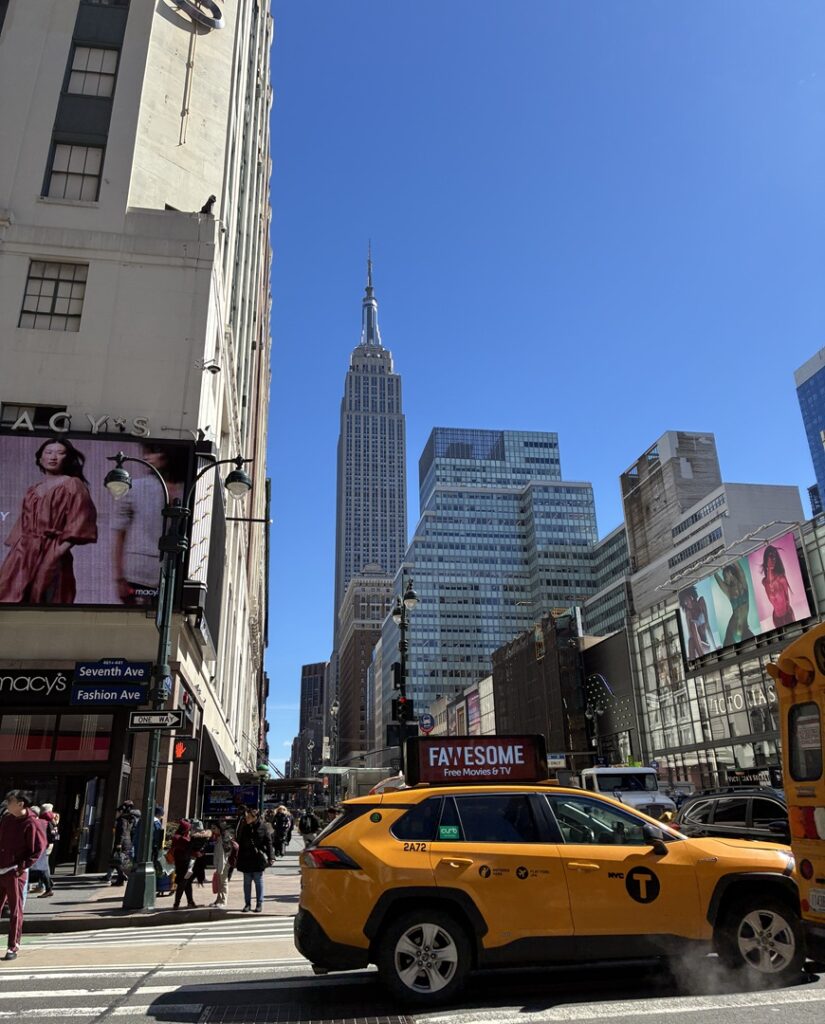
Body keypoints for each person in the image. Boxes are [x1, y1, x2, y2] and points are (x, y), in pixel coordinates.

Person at [0, 437, 98, 604]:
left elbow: (81, 519)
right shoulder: (33, 490)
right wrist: (17, 551)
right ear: (40, 458)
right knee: (11, 597)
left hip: (52, 549)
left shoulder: (73, 484)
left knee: (46, 598)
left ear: (67, 458)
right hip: (22, 552)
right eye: (49, 452)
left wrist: (58, 551)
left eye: (60, 453)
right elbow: (23, 524)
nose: (53, 457)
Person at [112, 444, 188, 607]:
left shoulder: (188, 491)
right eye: (146, 453)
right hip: (137, 574)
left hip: (171, 577)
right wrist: (119, 577)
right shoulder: (134, 487)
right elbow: (119, 535)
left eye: (154, 451)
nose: (147, 458)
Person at [0, 790, 47, 960]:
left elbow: (38, 849)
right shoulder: (7, 819)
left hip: (15, 872)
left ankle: (13, 946)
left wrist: (21, 867)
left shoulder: (32, 823)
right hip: (2, 868)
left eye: (10, 800)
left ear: (21, 804)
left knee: (15, 910)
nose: (7, 803)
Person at [236, 807, 273, 913]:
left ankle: (259, 903)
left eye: (248, 817)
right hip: (246, 857)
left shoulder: (263, 827)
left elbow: (268, 842)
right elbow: (239, 841)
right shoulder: (244, 826)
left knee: (258, 880)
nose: (246, 818)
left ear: (254, 817)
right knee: (246, 882)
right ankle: (247, 904)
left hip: (257, 858)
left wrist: (271, 857)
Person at [714, 562, 754, 646]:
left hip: (745, 629)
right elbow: (716, 576)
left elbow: (737, 565)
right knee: (726, 655)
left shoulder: (743, 584)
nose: (724, 579)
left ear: (730, 573)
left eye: (725, 576)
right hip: (731, 630)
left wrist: (725, 559)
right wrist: (716, 563)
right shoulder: (728, 590)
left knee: (757, 646)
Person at [761, 545, 795, 628]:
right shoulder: (764, 582)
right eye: (771, 557)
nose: (773, 560)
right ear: (766, 559)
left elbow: (787, 600)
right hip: (776, 618)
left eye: (775, 558)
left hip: (787, 615)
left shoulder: (781, 578)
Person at [678, 586, 715, 659]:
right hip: (695, 645)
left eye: (686, 600)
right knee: (691, 639)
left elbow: (707, 625)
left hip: (705, 645)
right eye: (684, 603)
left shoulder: (701, 602)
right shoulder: (688, 613)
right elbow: (691, 634)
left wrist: (714, 646)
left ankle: (695, 660)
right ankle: (694, 662)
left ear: (691, 596)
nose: (686, 604)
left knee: (692, 639)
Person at [109, 801, 140, 886]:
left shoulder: (123, 819)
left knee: (117, 860)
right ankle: (121, 877)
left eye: (119, 810)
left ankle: (125, 876)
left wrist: (119, 844)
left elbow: (122, 832)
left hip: (122, 842)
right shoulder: (130, 819)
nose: (118, 812)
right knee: (122, 861)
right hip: (128, 841)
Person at [210, 819, 237, 908]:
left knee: (223, 882)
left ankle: (223, 900)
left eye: (214, 828)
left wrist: (220, 867)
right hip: (222, 863)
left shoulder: (223, 838)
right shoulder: (221, 836)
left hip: (224, 864)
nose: (212, 830)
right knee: (220, 882)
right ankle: (218, 899)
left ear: (219, 828)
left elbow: (223, 855)